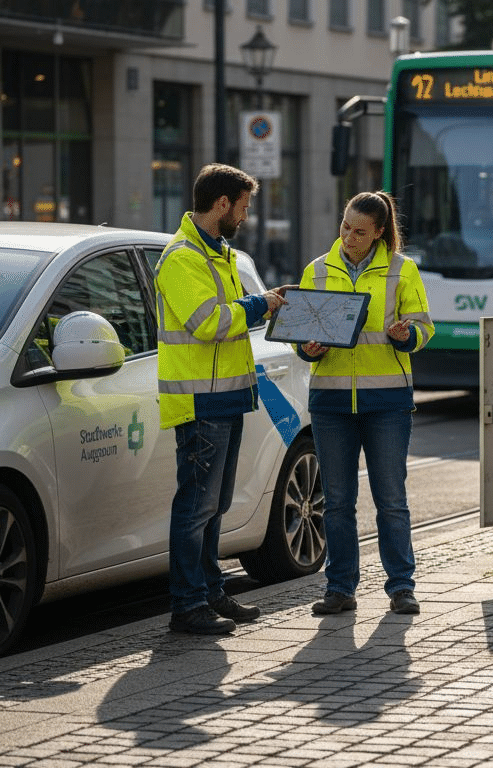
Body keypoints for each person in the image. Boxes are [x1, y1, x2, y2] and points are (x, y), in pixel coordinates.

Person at [156, 163, 293, 635]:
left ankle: (211, 593)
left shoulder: (220, 255)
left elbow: (233, 321)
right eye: (243, 207)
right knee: (196, 507)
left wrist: (265, 305)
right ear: (221, 204)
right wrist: (260, 304)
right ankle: (187, 605)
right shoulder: (182, 258)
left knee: (213, 507)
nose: (246, 216)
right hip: (200, 403)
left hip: (228, 398)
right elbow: (208, 323)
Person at [299, 191, 434, 616]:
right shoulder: (317, 270)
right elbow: (301, 334)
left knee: (391, 500)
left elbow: (424, 328)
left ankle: (401, 587)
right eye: (345, 227)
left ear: (378, 232)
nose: (349, 237)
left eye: (360, 232)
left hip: (387, 401)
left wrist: (406, 336)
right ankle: (340, 588)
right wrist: (308, 347)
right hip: (331, 402)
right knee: (337, 502)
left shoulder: (402, 270)